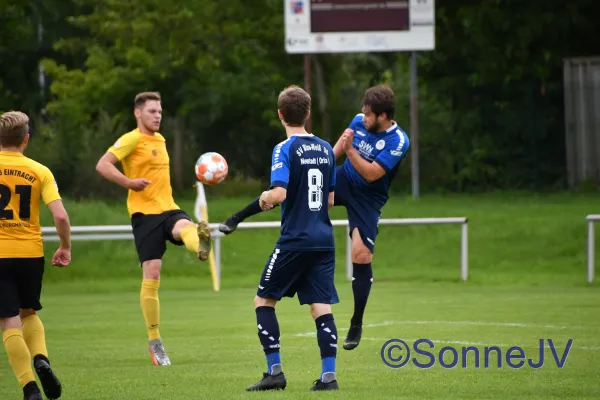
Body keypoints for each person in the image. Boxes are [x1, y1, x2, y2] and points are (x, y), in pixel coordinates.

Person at [219, 84, 410, 351]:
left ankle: (356, 322)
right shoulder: (358, 121)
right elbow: (333, 156)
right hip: (344, 178)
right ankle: (238, 216)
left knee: (361, 254)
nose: (362, 117)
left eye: (368, 114)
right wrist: (317, 164)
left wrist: (350, 148)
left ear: (382, 115)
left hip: (368, 196)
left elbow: (371, 174)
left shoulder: (399, 140)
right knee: (294, 193)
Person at [95, 91, 212, 366]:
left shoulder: (161, 139)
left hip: (168, 208)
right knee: (153, 272)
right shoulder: (131, 139)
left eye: (160, 111)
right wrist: (129, 182)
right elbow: (103, 165)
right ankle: (155, 341)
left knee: (186, 226)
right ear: (138, 113)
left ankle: (201, 244)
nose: (158, 115)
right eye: (152, 111)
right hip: (144, 216)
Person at [245, 85, 339, 392]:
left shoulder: (283, 149)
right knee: (320, 306)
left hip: (295, 240)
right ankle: (328, 377)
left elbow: (280, 193)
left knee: (263, 300)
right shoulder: (326, 148)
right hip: (324, 239)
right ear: (308, 114)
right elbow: (329, 200)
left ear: (280, 115)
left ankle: (274, 372)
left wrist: (264, 197)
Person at [0, 111, 71, 400]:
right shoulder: (40, 171)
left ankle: (30, 388)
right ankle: (41, 358)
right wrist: (65, 247)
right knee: (29, 312)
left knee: (8, 320)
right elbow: (61, 217)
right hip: (30, 252)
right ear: (26, 140)